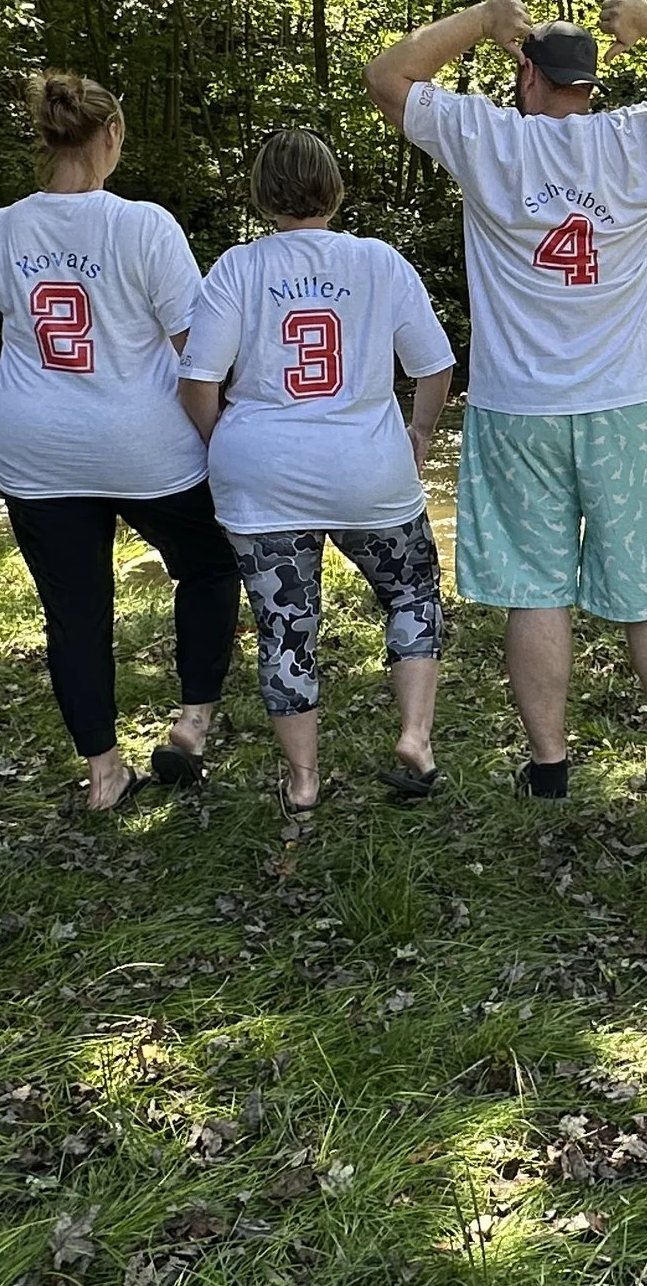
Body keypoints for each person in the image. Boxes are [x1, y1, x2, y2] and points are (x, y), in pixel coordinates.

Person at [364, 0, 647, 801]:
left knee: (533, 588)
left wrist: (479, 19)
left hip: (517, 409)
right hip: (632, 405)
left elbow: (387, 76)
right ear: (591, 82)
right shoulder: (643, 135)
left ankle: (549, 769)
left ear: (527, 76)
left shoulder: (489, 137)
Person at [0, 73, 240, 812]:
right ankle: (192, 720)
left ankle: (103, 771)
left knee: (75, 610)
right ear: (111, 135)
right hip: (147, 443)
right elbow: (194, 348)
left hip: (37, 448)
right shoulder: (142, 224)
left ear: (45, 139)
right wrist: (226, 435)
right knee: (208, 564)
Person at [178, 130, 456, 815]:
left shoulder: (237, 269)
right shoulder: (378, 262)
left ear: (262, 193)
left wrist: (226, 442)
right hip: (370, 470)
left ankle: (303, 782)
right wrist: (417, 431)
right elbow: (434, 364)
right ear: (334, 187)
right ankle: (415, 738)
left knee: (285, 627)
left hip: (263, 477)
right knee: (412, 592)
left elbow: (198, 379)